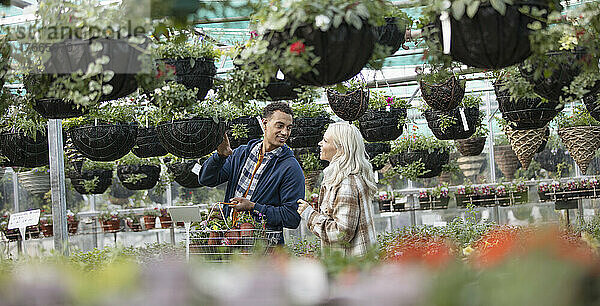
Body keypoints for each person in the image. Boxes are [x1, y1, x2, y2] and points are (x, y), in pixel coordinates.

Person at [199, 102, 304, 243]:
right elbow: (206, 179)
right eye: (280, 126)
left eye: (289, 128)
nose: (285, 132)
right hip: (231, 242)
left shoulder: (290, 168)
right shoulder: (241, 154)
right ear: (264, 123)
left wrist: (254, 207)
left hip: (264, 249)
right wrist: (220, 156)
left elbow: (291, 217)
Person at [297, 122, 377, 256]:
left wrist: (309, 215)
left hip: (352, 269)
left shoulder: (346, 183)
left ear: (341, 149)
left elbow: (342, 234)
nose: (320, 143)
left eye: (325, 140)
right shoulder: (342, 178)